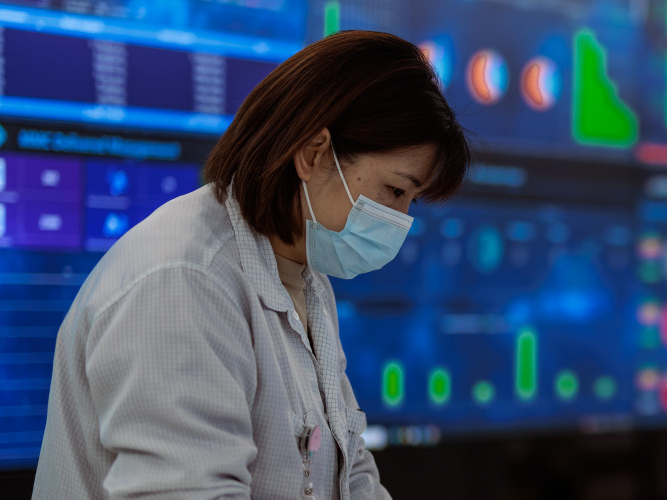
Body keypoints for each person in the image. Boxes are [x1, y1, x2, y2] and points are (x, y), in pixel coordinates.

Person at [33, 31, 470, 499]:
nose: (399, 220)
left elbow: (351, 472)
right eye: (395, 191)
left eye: (412, 201)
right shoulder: (186, 281)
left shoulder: (302, 275)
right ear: (312, 153)